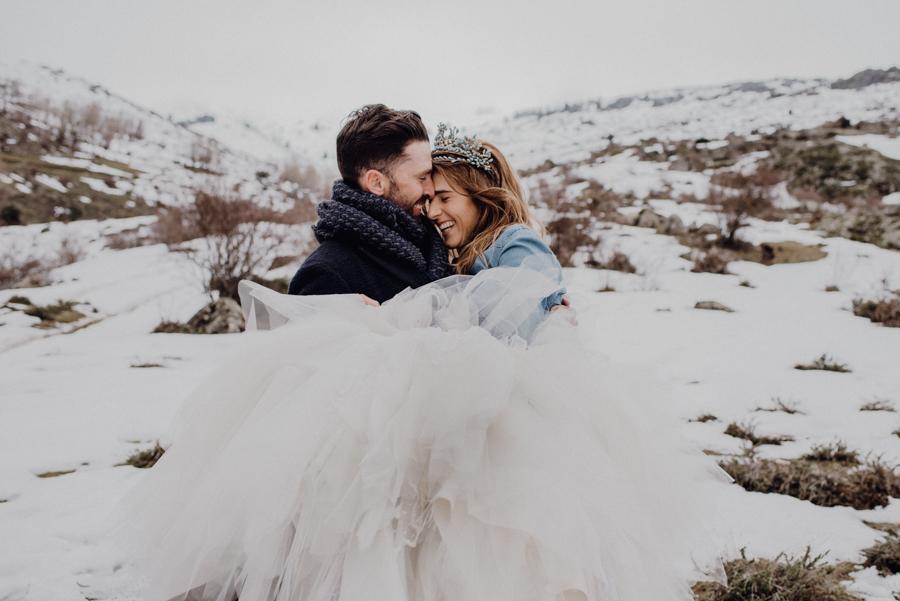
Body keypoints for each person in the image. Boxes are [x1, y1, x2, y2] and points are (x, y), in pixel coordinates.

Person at [112, 124, 729, 601]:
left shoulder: (512, 244)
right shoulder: (396, 260)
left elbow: (502, 326)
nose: (432, 209)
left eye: (443, 196)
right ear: (380, 182)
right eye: (426, 192)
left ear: (482, 196)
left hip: (523, 425)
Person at [288, 104, 451, 304]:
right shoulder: (326, 274)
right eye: (422, 177)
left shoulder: (438, 248)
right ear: (376, 182)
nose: (431, 190)